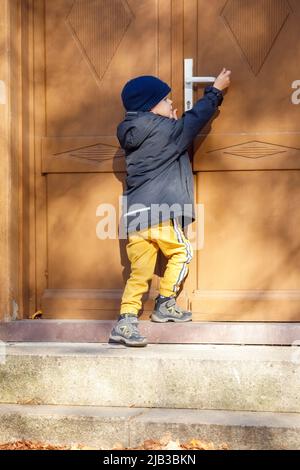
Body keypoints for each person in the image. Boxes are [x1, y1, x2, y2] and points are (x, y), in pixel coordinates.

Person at [109, 69, 231, 347]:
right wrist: (216, 90)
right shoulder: (166, 130)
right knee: (182, 251)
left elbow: (169, 133)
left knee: (138, 272)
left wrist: (168, 124)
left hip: (134, 217)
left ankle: (126, 320)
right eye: (167, 100)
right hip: (160, 212)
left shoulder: (132, 131)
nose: (173, 105)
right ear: (151, 107)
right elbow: (194, 120)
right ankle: (165, 301)